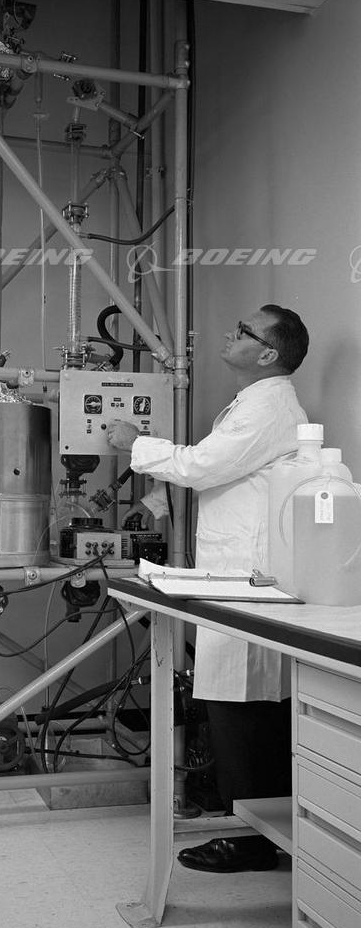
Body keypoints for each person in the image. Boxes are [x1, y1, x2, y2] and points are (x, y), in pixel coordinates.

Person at [106, 305, 309, 873]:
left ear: (267, 353)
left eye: (244, 330)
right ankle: (254, 829)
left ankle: (249, 839)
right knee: (237, 702)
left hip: (247, 577)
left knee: (240, 704)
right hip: (235, 575)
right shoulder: (254, 402)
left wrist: (136, 443)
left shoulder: (270, 407)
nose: (230, 331)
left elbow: (202, 466)